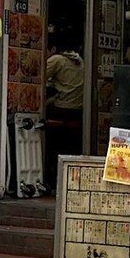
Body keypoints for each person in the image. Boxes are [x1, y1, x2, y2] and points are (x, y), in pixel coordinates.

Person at [44, 34, 85, 188]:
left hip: (61, 113)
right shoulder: (80, 60)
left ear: (54, 49)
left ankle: (52, 183)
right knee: (71, 151)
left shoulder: (56, 60)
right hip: (78, 112)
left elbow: (38, 77)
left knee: (53, 150)